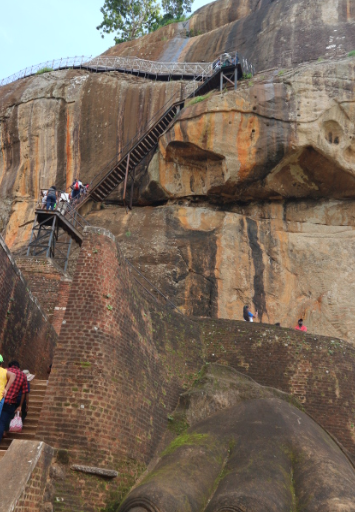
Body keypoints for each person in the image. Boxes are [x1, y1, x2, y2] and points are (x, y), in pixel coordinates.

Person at [0, 361, 28, 442]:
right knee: (2, 422)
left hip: (1, 398)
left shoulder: (5, 371)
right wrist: (20, 405)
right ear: (18, 367)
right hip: (10, 402)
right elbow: (24, 392)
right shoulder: (23, 375)